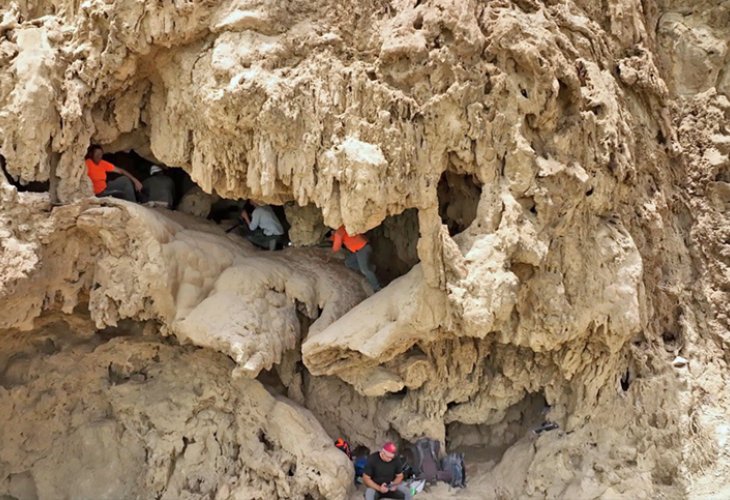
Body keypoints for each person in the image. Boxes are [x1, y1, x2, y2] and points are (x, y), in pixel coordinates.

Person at [331, 226, 381, 291]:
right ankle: (372, 268)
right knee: (349, 263)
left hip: (362, 249)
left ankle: (377, 287)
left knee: (365, 270)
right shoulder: (344, 228)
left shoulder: (339, 231)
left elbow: (336, 247)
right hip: (360, 249)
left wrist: (331, 251)